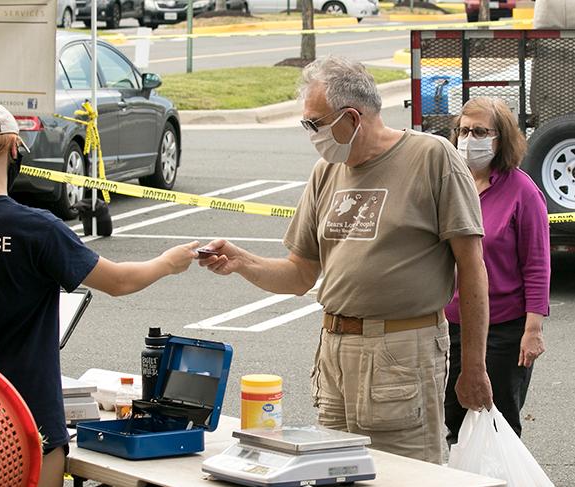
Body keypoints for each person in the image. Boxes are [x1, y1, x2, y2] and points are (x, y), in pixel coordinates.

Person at [198, 55, 493, 464]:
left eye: (313, 123)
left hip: (401, 352)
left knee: (403, 474)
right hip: (334, 350)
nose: (310, 134)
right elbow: (300, 273)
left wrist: (473, 365)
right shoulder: (326, 171)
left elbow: (473, 267)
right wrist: (241, 261)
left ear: (351, 118)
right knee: (334, 471)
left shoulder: (432, 158)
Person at [0, 101, 200, 487]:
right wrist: (169, 262)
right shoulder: (34, 228)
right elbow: (118, 281)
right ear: (12, 149)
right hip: (28, 421)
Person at [444, 96, 550, 447]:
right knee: (454, 422)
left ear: (501, 138)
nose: (467, 138)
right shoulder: (450, 186)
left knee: (497, 424)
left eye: (478, 131)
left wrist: (532, 330)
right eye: (462, 130)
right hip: (450, 327)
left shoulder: (524, 192)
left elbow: (536, 265)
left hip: (504, 330)